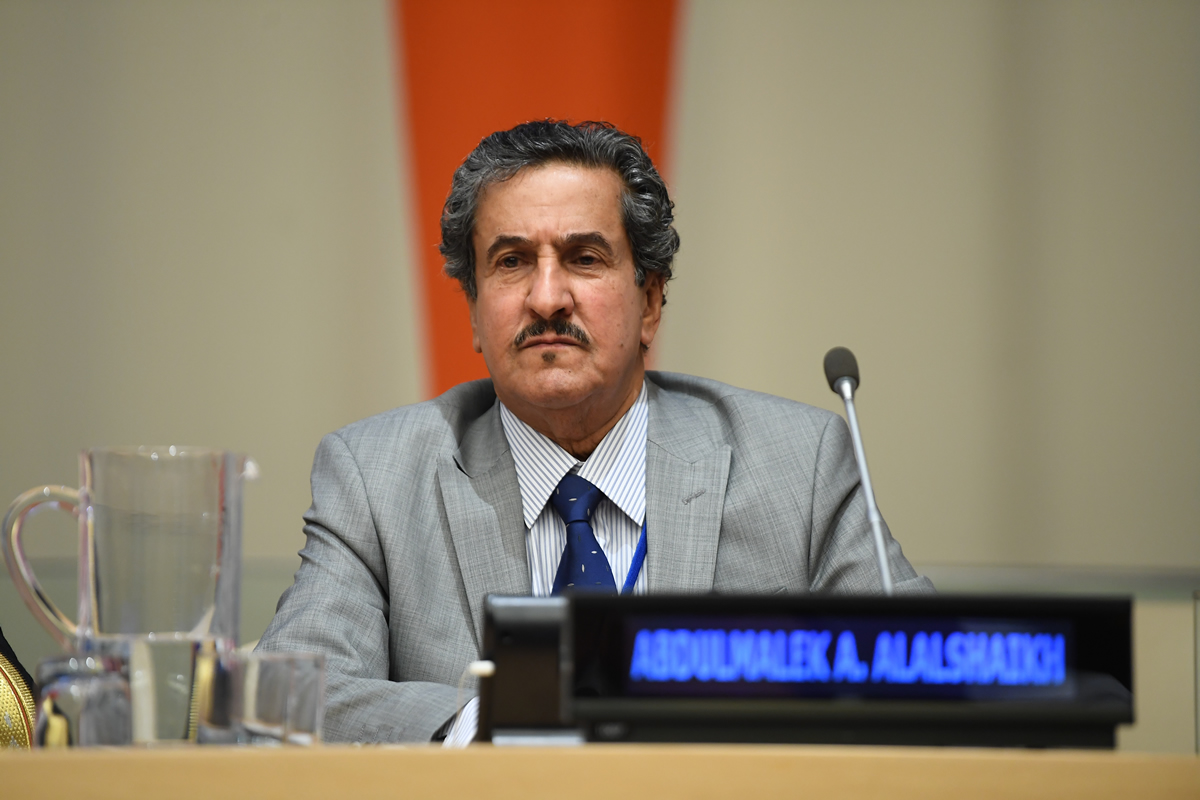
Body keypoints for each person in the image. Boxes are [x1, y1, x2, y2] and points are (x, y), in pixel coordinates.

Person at [257, 120, 933, 744]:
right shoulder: (376, 478)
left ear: (651, 301)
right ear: (473, 312)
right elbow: (283, 697)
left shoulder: (798, 464)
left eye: (583, 258)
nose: (547, 298)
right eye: (512, 261)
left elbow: (926, 675)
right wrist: (495, 724)